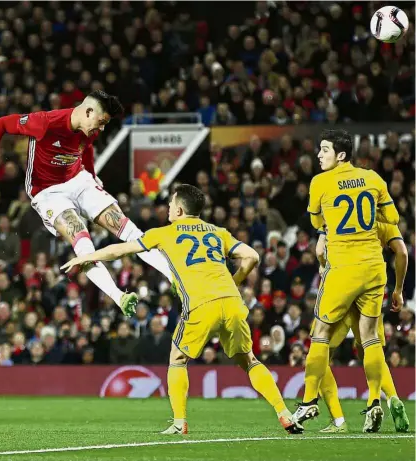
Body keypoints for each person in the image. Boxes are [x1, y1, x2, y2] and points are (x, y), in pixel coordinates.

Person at [62, 184, 303, 435]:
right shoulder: (218, 232)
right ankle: (284, 413)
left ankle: (179, 423)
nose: (167, 208)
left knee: (177, 358)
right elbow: (252, 255)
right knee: (250, 360)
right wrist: (235, 281)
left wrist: (85, 257)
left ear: (178, 209)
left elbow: (121, 249)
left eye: (170, 204)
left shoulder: (165, 233)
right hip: (232, 301)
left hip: (201, 305)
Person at [0, 90, 172, 317]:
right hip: (47, 192)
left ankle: (174, 277)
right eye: (101, 122)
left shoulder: (89, 128)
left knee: (127, 228)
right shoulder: (45, 122)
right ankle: (119, 297)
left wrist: (92, 174)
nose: (101, 129)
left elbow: (86, 148)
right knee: (82, 241)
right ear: (88, 112)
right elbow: (2, 123)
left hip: (79, 181)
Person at [292, 129, 399, 433]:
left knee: (321, 335)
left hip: (344, 268)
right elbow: (392, 220)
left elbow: (316, 221)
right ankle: (374, 402)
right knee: (370, 338)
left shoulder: (320, 182)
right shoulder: (374, 178)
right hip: (375, 268)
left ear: (340, 154)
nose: (319, 155)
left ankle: (309, 401)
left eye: (324, 150)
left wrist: (330, 229)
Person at [315, 222, 410, 433]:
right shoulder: (382, 221)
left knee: (320, 353)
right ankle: (389, 398)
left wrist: (324, 263)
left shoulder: (335, 214)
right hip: (369, 291)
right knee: (371, 348)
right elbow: (402, 252)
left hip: (338, 291)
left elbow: (320, 250)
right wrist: (398, 290)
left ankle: (338, 421)